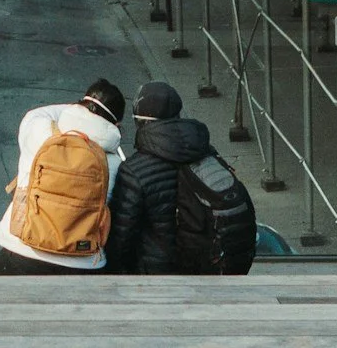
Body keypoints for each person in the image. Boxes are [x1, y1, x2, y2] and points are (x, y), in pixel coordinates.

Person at [104, 79, 254, 274]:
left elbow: (122, 236)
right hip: (202, 268)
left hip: (155, 275)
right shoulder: (205, 152)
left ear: (140, 121)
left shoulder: (134, 170)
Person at [0, 78, 127, 275]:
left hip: (23, 254)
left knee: (3, 263)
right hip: (83, 264)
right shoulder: (113, 164)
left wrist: (82, 107)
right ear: (116, 124)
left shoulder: (40, 131)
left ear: (80, 105)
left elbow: (39, 112)